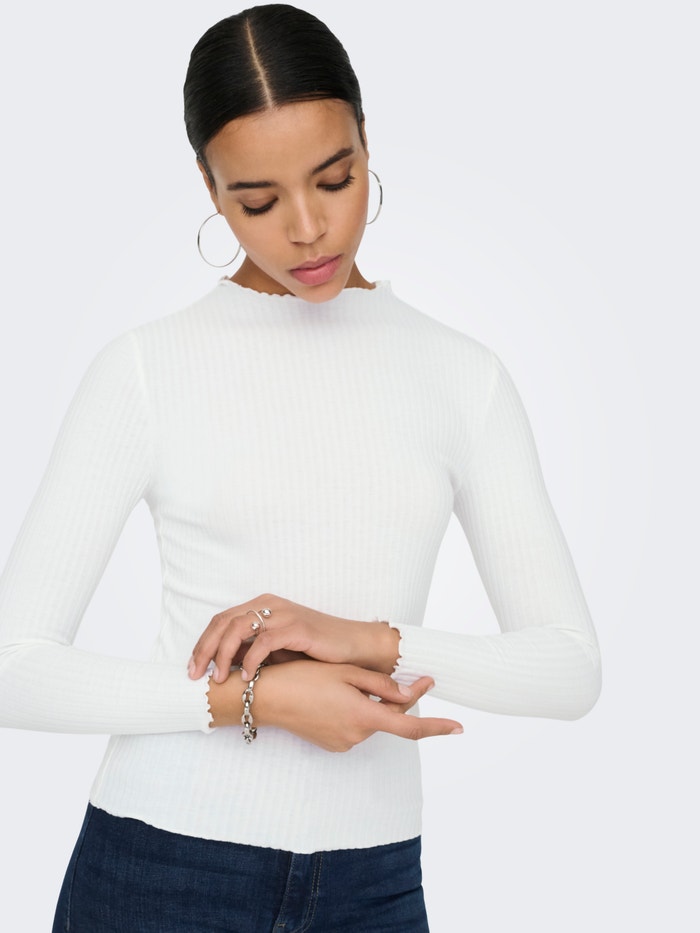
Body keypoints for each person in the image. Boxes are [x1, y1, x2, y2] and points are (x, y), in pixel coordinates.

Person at [0, 4, 601, 931]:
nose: (311, 228)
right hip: (163, 870)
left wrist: (368, 639)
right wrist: (258, 697)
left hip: (374, 884)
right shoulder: (146, 369)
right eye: (258, 201)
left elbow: (568, 668)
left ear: (366, 142)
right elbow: (15, 667)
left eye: (336, 178)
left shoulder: (462, 376)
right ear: (209, 187)